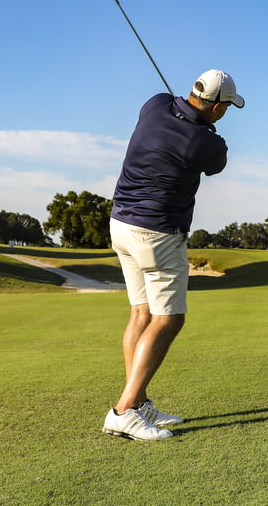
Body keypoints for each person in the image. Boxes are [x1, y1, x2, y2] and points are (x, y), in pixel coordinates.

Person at [102, 69, 244, 441]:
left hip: (121, 225)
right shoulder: (204, 143)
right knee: (169, 320)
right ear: (216, 107)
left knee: (140, 313)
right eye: (226, 107)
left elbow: (170, 106)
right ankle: (126, 409)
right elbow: (218, 160)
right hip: (157, 233)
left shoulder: (154, 104)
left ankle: (140, 399)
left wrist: (191, 116)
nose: (226, 112)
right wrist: (205, 128)